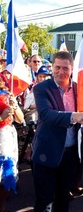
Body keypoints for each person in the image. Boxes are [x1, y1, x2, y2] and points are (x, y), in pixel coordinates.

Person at [32, 51, 83, 212]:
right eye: (57, 67)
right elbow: (46, 114)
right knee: (44, 199)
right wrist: (74, 116)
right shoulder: (41, 88)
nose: (61, 72)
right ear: (52, 67)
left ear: (72, 69)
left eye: (65, 68)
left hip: (70, 154)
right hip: (47, 152)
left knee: (63, 198)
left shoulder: (79, 89)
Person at [0, 73, 24, 212]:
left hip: (7, 138)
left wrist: (15, 107)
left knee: (6, 176)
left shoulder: (8, 93)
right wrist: (1, 118)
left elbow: (20, 120)